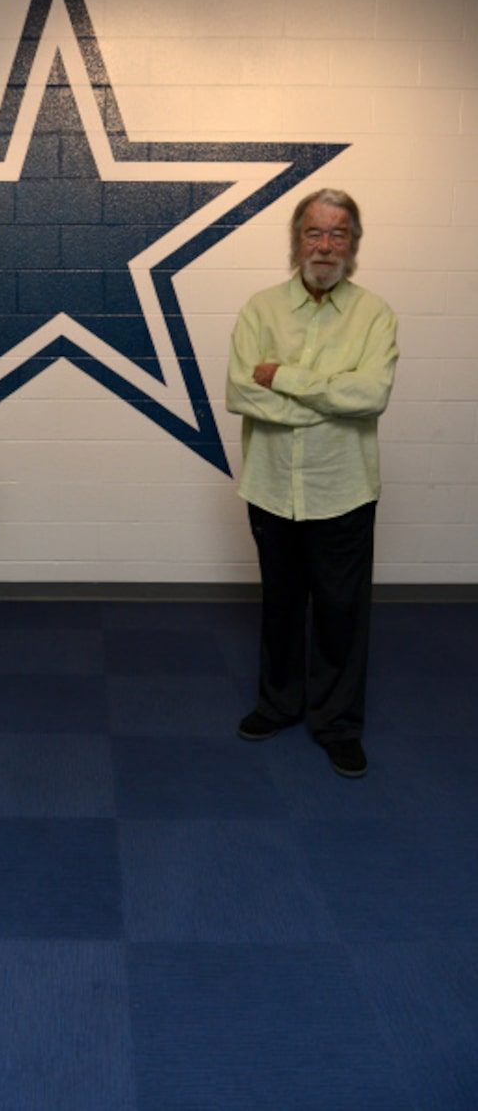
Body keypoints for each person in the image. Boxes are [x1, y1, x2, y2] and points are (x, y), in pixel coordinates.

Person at [226, 188, 398, 778]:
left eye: (339, 233)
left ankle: (338, 724)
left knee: (340, 612)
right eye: (314, 233)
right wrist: (330, 395)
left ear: (354, 244)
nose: (325, 246)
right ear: (296, 240)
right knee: (279, 605)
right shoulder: (260, 308)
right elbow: (238, 392)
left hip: (342, 489)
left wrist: (289, 378)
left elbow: (372, 395)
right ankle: (278, 704)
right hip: (272, 487)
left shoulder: (374, 314)